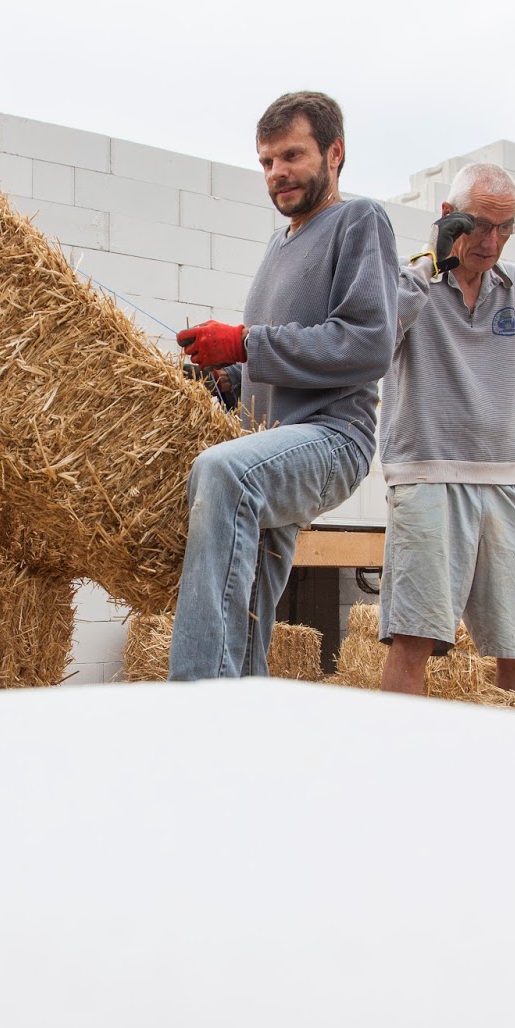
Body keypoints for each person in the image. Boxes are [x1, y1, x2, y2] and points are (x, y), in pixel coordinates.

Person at [166, 91, 398, 681]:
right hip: (272, 445)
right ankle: (241, 712)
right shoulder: (278, 246)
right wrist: (226, 377)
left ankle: (193, 698)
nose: (277, 173)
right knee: (246, 622)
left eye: (292, 156)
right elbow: (275, 358)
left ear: (334, 153)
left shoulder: (359, 221)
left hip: (332, 438)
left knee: (222, 473)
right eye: (267, 161)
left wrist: (244, 343)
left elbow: (368, 343)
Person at [377, 162, 515, 694]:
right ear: (449, 216)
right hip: (426, 477)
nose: (491, 242)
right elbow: (374, 344)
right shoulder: (408, 279)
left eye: (505, 228)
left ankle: (514, 744)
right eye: (480, 225)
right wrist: (429, 261)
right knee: (414, 638)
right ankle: (394, 743)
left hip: (504, 480)